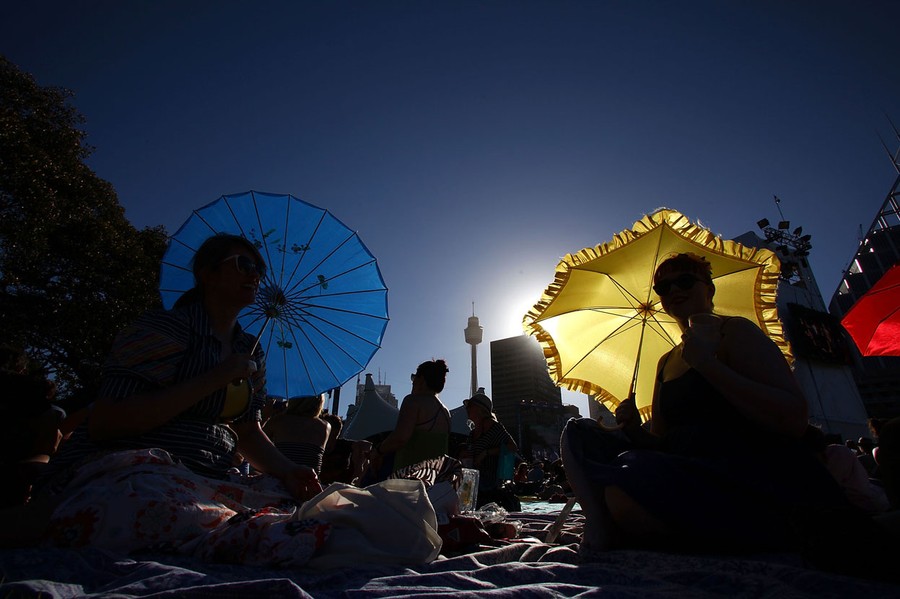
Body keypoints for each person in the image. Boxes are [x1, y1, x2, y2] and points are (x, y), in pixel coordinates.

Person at [29, 234, 328, 564]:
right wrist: (215, 377)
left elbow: (247, 431)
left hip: (208, 476)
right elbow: (106, 422)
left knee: (302, 512)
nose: (255, 275)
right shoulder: (164, 328)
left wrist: (289, 470)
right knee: (154, 508)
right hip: (136, 468)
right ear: (207, 273)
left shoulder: (250, 350)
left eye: (259, 268)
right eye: (244, 264)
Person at [561, 252, 849, 553]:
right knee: (581, 433)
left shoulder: (734, 331)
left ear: (709, 290)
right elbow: (661, 441)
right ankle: (621, 520)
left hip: (746, 473)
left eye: (685, 281)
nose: (674, 290)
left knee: (628, 484)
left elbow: (793, 417)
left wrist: (708, 365)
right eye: (664, 287)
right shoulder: (666, 362)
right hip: (685, 469)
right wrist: (633, 429)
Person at [370, 359, 452, 475]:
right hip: (436, 479)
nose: (412, 383)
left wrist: (377, 451)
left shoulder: (413, 401)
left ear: (421, 379)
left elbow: (400, 438)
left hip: (410, 477)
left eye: (414, 378)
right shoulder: (446, 412)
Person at [460, 389, 518, 496]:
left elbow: (512, 447)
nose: (467, 409)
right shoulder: (472, 433)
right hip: (473, 482)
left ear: (480, 409)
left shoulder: (494, 428)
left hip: (490, 485)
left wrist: (486, 453)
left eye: (470, 406)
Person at [264, 394, 331, 474]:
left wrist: (265, 416)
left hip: (281, 476)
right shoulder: (325, 426)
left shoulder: (279, 421)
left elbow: (258, 444)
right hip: (310, 478)